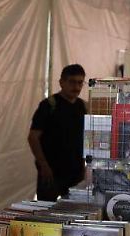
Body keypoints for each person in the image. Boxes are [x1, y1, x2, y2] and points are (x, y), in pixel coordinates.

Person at [28, 64, 87, 201]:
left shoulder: (83, 107)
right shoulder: (48, 105)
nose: (76, 87)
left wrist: (85, 167)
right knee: (45, 211)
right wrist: (43, 165)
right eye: (72, 82)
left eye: (80, 82)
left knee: (74, 212)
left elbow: (86, 139)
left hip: (76, 172)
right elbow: (33, 137)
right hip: (51, 172)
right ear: (61, 82)